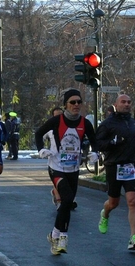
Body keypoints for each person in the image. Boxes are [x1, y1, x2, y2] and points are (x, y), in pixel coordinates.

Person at [35, 88, 97, 255]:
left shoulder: (85, 123)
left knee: (67, 203)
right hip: (56, 167)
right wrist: (41, 150)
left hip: (73, 168)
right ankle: (62, 236)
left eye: (79, 102)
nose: (76, 105)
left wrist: (95, 152)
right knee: (67, 198)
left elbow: (94, 140)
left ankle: (54, 235)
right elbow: (38, 133)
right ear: (65, 105)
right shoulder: (57, 121)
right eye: (73, 102)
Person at [96, 94, 135, 251]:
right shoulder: (108, 124)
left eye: (129, 102)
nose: (127, 104)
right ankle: (105, 213)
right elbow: (98, 143)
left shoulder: (133, 122)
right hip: (114, 166)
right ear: (116, 104)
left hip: (130, 166)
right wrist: (112, 143)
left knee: (133, 200)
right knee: (113, 203)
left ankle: (133, 237)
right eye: (123, 102)